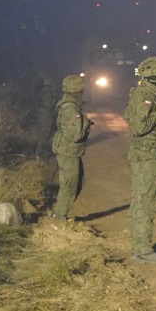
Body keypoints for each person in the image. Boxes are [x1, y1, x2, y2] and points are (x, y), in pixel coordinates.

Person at [124, 57, 156, 264]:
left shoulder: (142, 95)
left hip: (148, 155)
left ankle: (139, 246)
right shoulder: (144, 97)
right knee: (145, 201)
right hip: (146, 155)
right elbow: (139, 127)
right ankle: (142, 249)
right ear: (155, 76)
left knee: (141, 200)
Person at [50, 73, 92, 220]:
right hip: (68, 151)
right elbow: (75, 135)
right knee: (69, 184)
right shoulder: (71, 109)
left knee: (78, 181)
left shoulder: (69, 105)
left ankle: (60, 213)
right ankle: (59, 217)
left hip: (69, 150)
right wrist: (85, 124)